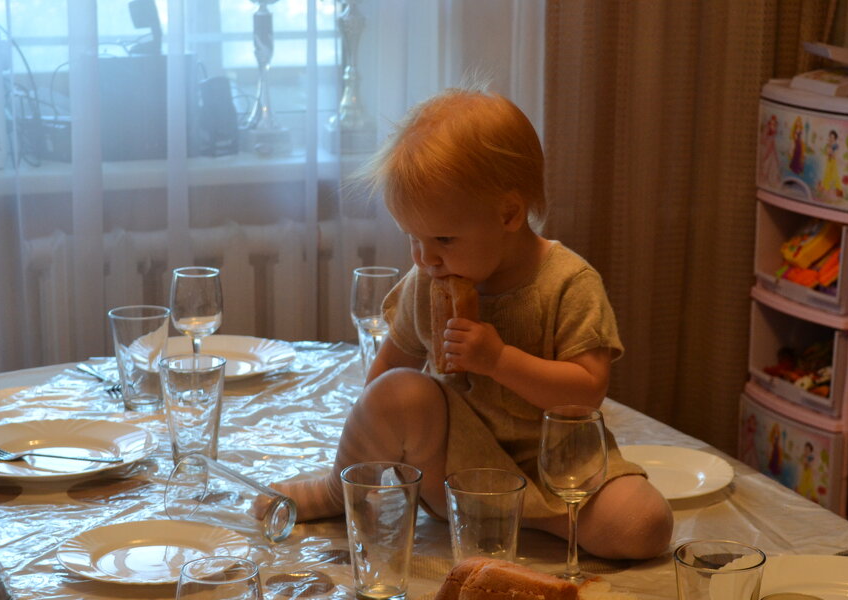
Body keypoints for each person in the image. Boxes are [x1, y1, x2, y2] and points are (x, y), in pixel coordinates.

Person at [273, 87, 672, 561]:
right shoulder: (428, 278)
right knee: (401, 390)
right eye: (412, 238)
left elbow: (587, 391)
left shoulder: (568, 283)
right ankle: (338, 492)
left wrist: (498, 360)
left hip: (557, 466)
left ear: (508, 213)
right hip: (455, 471)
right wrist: (380, 435)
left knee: (644, 524)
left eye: (442, 238)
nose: (426, 258)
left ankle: (533, 519)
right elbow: (387, 372)